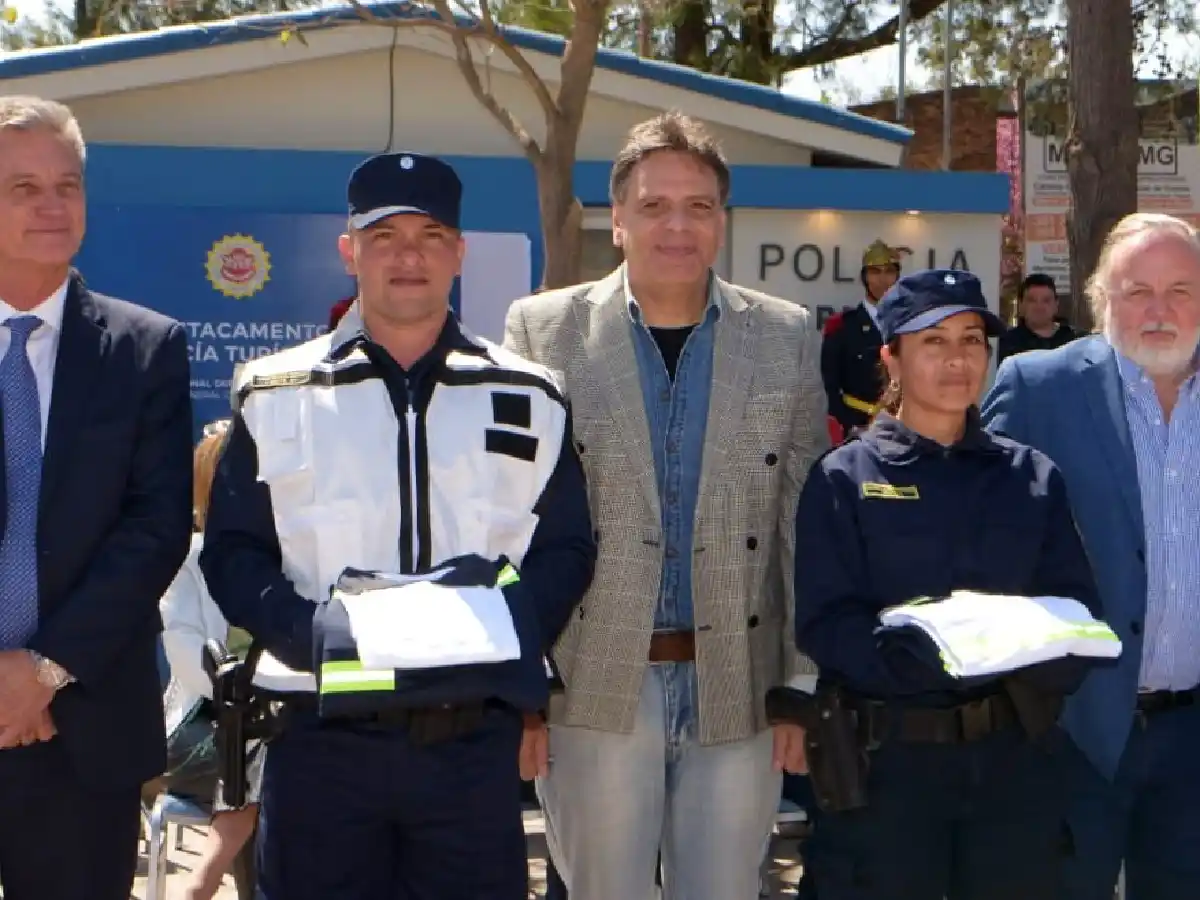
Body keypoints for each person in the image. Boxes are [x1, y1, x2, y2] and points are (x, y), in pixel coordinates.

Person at [200, 150, 596, 900]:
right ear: (350, 251)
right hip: (320, 742)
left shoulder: (532, 393)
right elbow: (234, 554)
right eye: (384, 236)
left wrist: (503, 632)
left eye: (430, 234)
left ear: (459, 253)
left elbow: (568, 546)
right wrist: (316, 636)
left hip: (470, 750)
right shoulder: (273, 391)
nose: (408, 255)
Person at [504, 111, 827, 900]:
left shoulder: (785, 335)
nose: (676, 225)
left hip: (740, 686)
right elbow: (508, 521)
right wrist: (521, 690)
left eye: (698, 206)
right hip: (591, 682)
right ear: (616, 220)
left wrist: (800, 685)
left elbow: (800, 524)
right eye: (653, 206)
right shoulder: (542, 332)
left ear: (722, 221)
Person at [793, 268, 1103, 900]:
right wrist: (936, 659)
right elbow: (827, 624)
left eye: (971, 340)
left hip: (1012, 769)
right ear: (892, 358)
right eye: (933, 342)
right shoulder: (843, 479)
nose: (958, 359)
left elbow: (1077, 612)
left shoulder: (1030, 477)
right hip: (887, 774)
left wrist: (1027, 660)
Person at [0, 96, 193, 900]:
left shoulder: (146, 349)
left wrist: (40, 671)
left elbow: (153, 530)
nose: (52, 205)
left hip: (85, 730)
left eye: (67, 185)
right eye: (22, 187)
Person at [981, 212, 1200, 900]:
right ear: (1101, 297)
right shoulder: (1038, 386)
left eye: (1181, 290)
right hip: (1073, 732)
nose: (1159, 311)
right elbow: (975, 533)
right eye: (1137, 291)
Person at [159, 418, 261, 900]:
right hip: (201, 726)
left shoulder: (284, 558)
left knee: (280, 745)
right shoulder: (187, 560)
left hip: (265, 727)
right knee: (267, 746)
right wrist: (252, 698)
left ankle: (204, 879)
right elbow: (188, 663)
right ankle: (206, 879)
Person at [820, 239, 902, 439]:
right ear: (864, 277)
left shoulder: (908, 326)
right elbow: (829, 387)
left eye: (889, 271)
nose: (883, 280)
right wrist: (848, 426)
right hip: (857, 429)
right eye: (875, 272)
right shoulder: (843, 327)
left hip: (903, 429)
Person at [996, 272, 1079, 365]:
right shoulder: (1009, 342)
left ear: (1056, 304)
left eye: (1046, 300)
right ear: (1021, 305)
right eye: (1032, 300)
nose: (1039, 307)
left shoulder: (1076, 339)